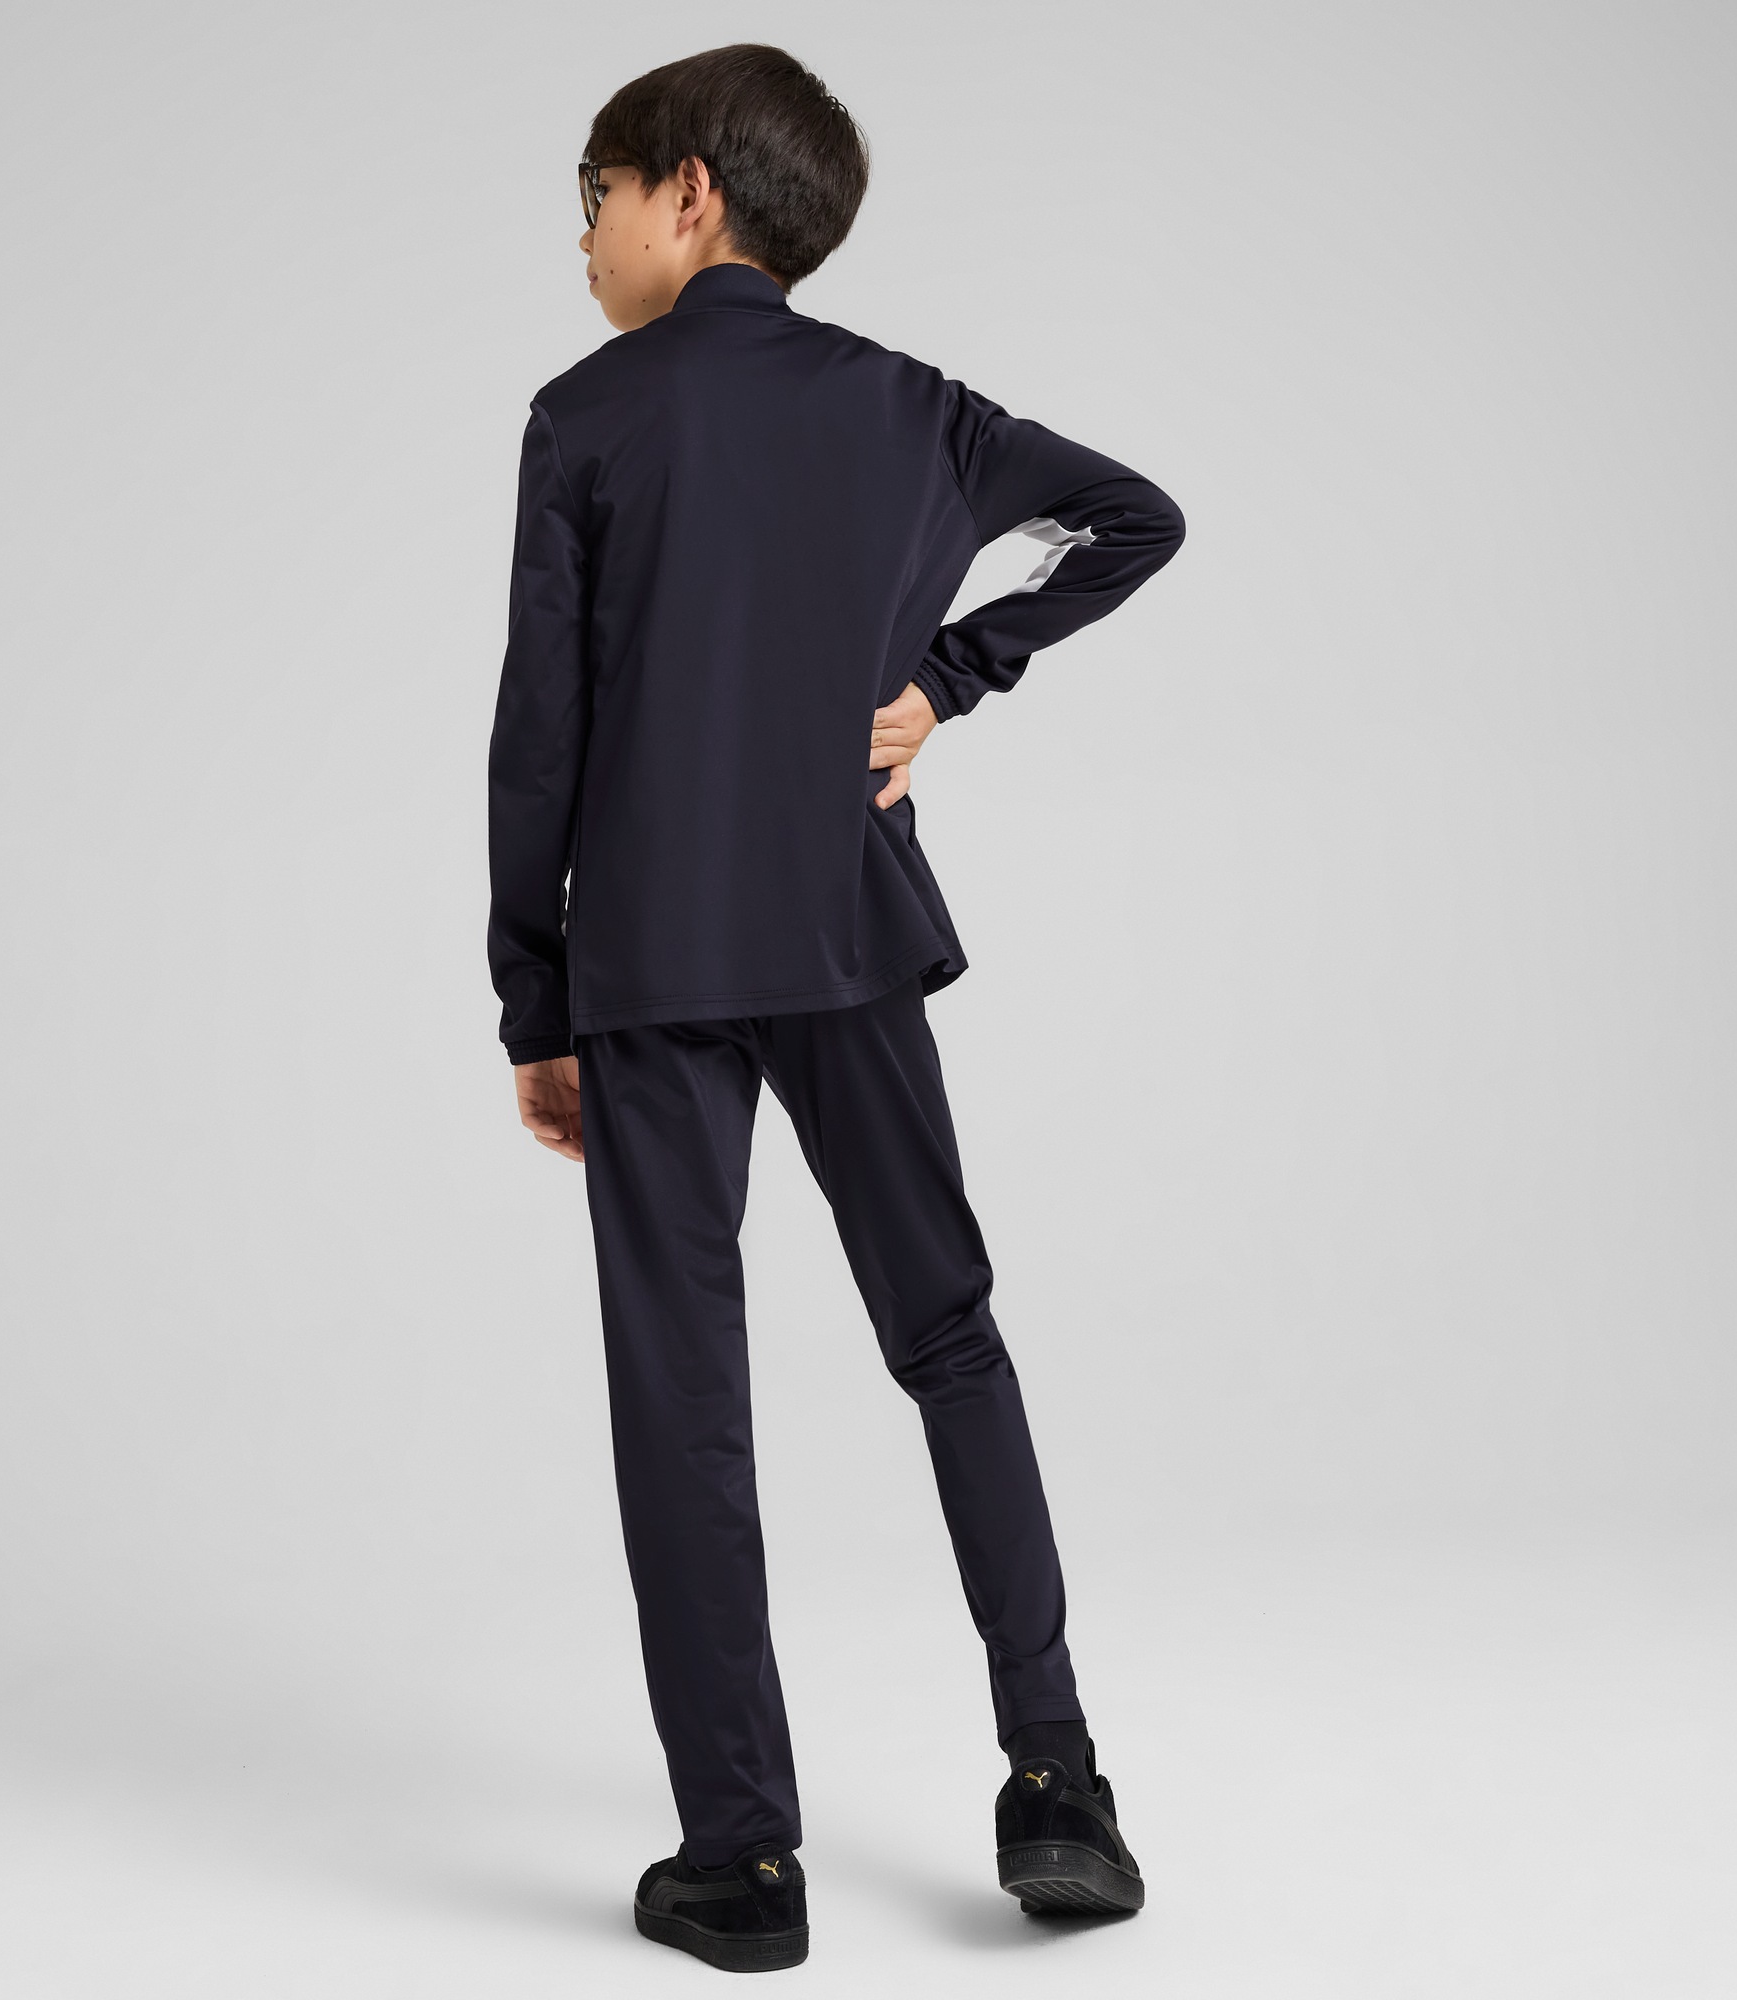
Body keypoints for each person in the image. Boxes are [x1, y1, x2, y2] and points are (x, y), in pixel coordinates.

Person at [488, 42, 1185, 1974]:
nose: (584, 238)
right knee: (948, 1334)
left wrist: (531, 997)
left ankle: (744, 1863)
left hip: (648, 966)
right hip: (847, 932)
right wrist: (951, 676)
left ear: (687, 191)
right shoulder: (914, 410)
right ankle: (1057, 1780)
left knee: (683, 1394)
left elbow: (539, 732)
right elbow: (1135, 517)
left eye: (595, 196)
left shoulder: (585, 420)